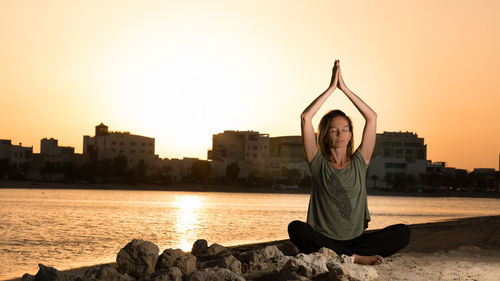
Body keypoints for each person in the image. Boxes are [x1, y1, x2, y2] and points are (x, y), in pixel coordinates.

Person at [288, 59, 410, 265]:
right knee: (296, 228)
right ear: (325, 135)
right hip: (325, 239)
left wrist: (344, 88)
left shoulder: (359, 162)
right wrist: (330, 89)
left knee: (403, 232)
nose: (340, 134)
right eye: (334, 130)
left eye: (345, 129)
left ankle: (344, 255)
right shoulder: (318, 163)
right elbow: (305, 117)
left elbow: (372, 117)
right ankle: (352, 258)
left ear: (351, 133)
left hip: (357, 241)